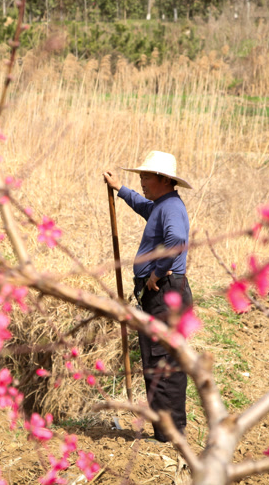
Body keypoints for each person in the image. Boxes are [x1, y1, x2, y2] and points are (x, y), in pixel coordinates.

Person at [103, 150, 194, 443]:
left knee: (163, 363)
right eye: (140, 176)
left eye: (145, 176)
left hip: (165, 294)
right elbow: (144, 206)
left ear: (164, 179)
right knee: (158, 363)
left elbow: (177, 241)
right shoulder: (160, 205)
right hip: (161, 295)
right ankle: (166, 433)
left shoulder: (170, 208)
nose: (141, 181)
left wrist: (156, 272)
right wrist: (121, 190)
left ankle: (170, 436)